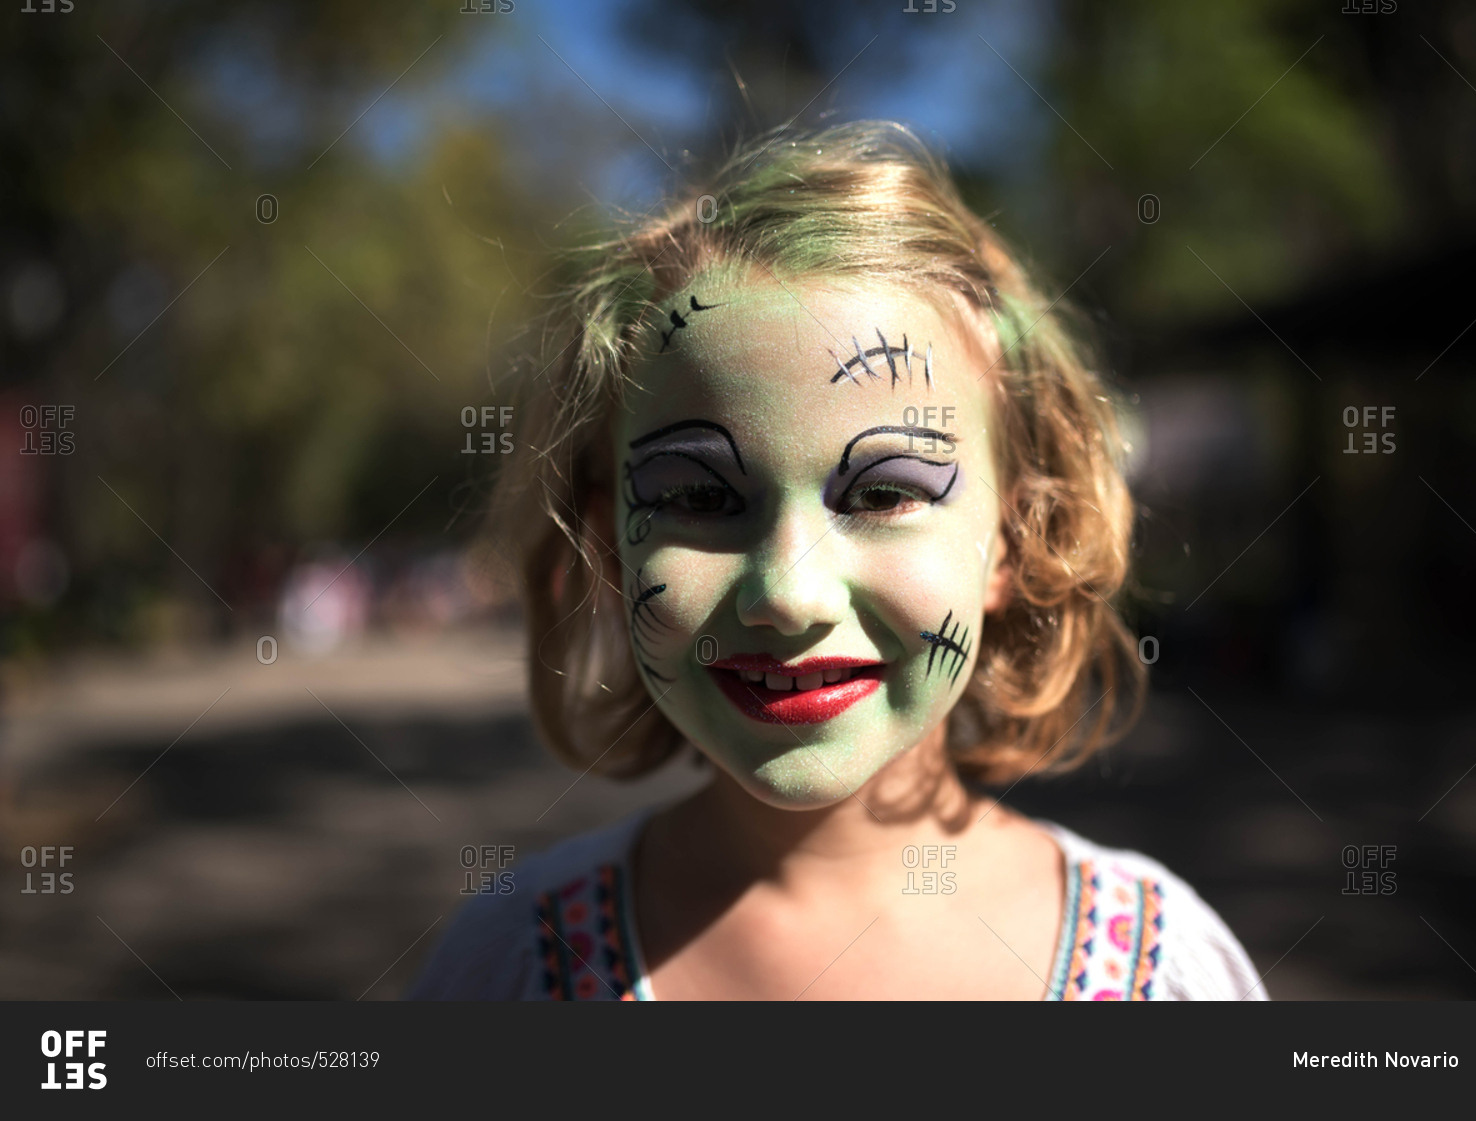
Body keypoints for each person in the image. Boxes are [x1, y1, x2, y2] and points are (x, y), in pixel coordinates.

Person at [410, 121, 1264, 1000]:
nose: (788, 593)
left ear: (1015, 538)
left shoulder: (1165, 968)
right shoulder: (509, 961)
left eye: (885, 493)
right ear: (611, 549)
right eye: (700, 498)